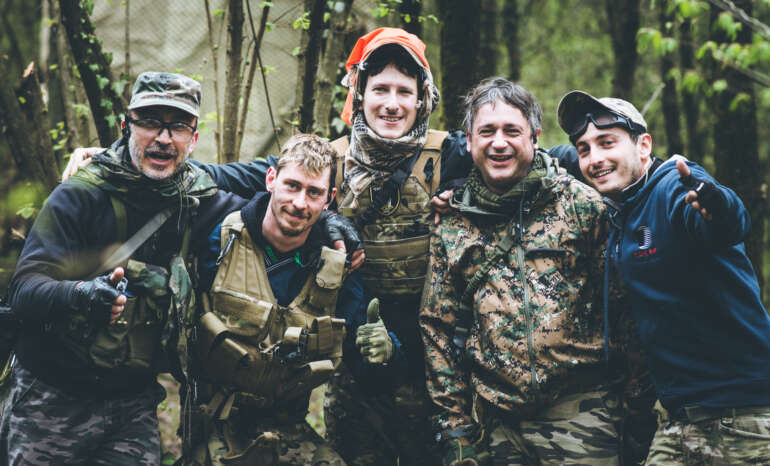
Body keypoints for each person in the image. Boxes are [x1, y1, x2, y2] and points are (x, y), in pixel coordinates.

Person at [128, 27, 472, 465]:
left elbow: (525, 153)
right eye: (380, 88)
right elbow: (218, 176)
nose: (391, 103)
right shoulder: (327, 163)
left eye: (405, 91)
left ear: (423, 98)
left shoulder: (452, 154)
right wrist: (115, 159)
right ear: (359, 95)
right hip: (356, 349)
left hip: (438, 360)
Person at [0, 71, 249, 464]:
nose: (163, 138)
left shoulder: (196, 199)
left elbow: (282, 194)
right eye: (150, 122)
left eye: (178, 125)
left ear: (194, 138)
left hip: (129, 406)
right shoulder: (81, 195)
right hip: (52, 400)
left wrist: (331, 224)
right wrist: (79, 294)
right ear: (125, 126)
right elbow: (25, 288)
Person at [420, 77, 632, 466]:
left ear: (535, 138)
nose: (499, 142)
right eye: (487, 131)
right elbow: (437, 328)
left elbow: (624, 308)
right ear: (468, 141)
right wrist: (455, 427)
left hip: (583, 415)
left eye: (511, 131)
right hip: (496, 424)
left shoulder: (581, 205)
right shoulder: (451, 222)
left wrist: (632, 408)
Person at [556, 90, 770, 465]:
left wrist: (715, 206)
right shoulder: (624, 204)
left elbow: (727, 222)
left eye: (607, 143)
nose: (595, 158)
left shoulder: (673, 186)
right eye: (585, 149)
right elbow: (542, 153)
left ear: (643, 146)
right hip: (677, 419)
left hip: (742, 416)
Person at [188, 134, 401, 465]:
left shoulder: (335, 268)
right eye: (292, 186)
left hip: (288, 426)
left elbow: (368, 361)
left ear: (329, 200)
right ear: (271, 180)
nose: (300, 203)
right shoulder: (220, 240)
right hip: (213, 422)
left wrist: (385, 347)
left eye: (313, 192)